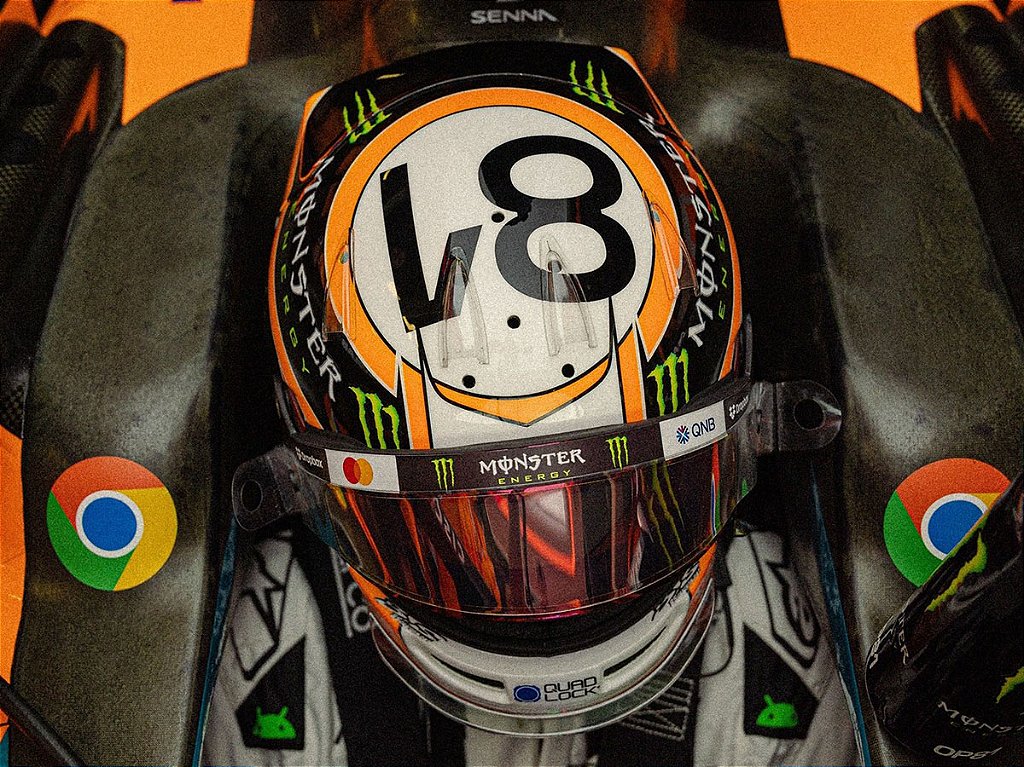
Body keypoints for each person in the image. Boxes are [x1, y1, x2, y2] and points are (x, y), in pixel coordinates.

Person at [202, 38, 857, 767]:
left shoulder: (768, 649)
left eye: (606, 497)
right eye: (473, 514)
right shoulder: (285, 647)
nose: (552, 578)